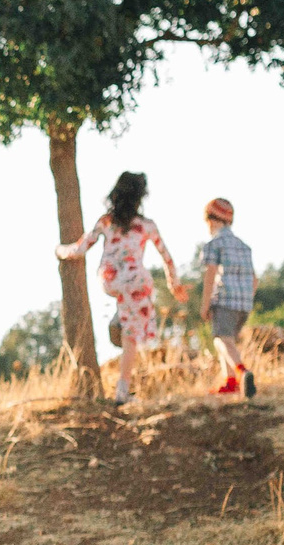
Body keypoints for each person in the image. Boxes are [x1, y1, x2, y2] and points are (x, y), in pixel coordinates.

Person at [57, 170, 184, 405]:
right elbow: (167, 257)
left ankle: (119, 320)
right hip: (136, 282)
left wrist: (59, 250)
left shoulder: (106, 221)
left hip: (110, 280)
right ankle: (122, 392)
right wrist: (173, 283)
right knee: (131, 339)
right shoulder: (146, 225)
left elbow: (79, 249)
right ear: (140, 198)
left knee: (128, 323)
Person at [195, 197, 256, 399]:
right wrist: (247, 298)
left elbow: (210, 275)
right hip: (244, 304)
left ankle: (241, 373)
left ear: (211, 220)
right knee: (229, 341)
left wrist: (205, 305)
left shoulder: (214, 244)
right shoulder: (244, 246)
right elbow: (255, 279)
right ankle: (229, 381)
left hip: (224, 301)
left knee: (221, 339)